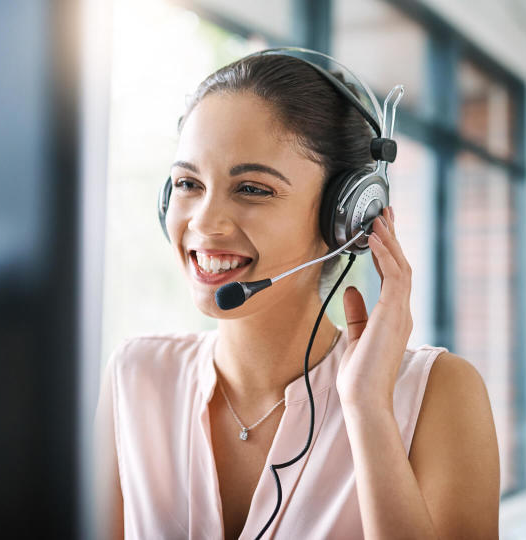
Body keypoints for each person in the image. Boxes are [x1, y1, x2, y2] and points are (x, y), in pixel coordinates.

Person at [94, 51, 499, 539]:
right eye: (188, 183)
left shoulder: (438, 393)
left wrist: (368, 410)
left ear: (346, 215)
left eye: (252, 189)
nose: (203, 222)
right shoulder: (136, 377)